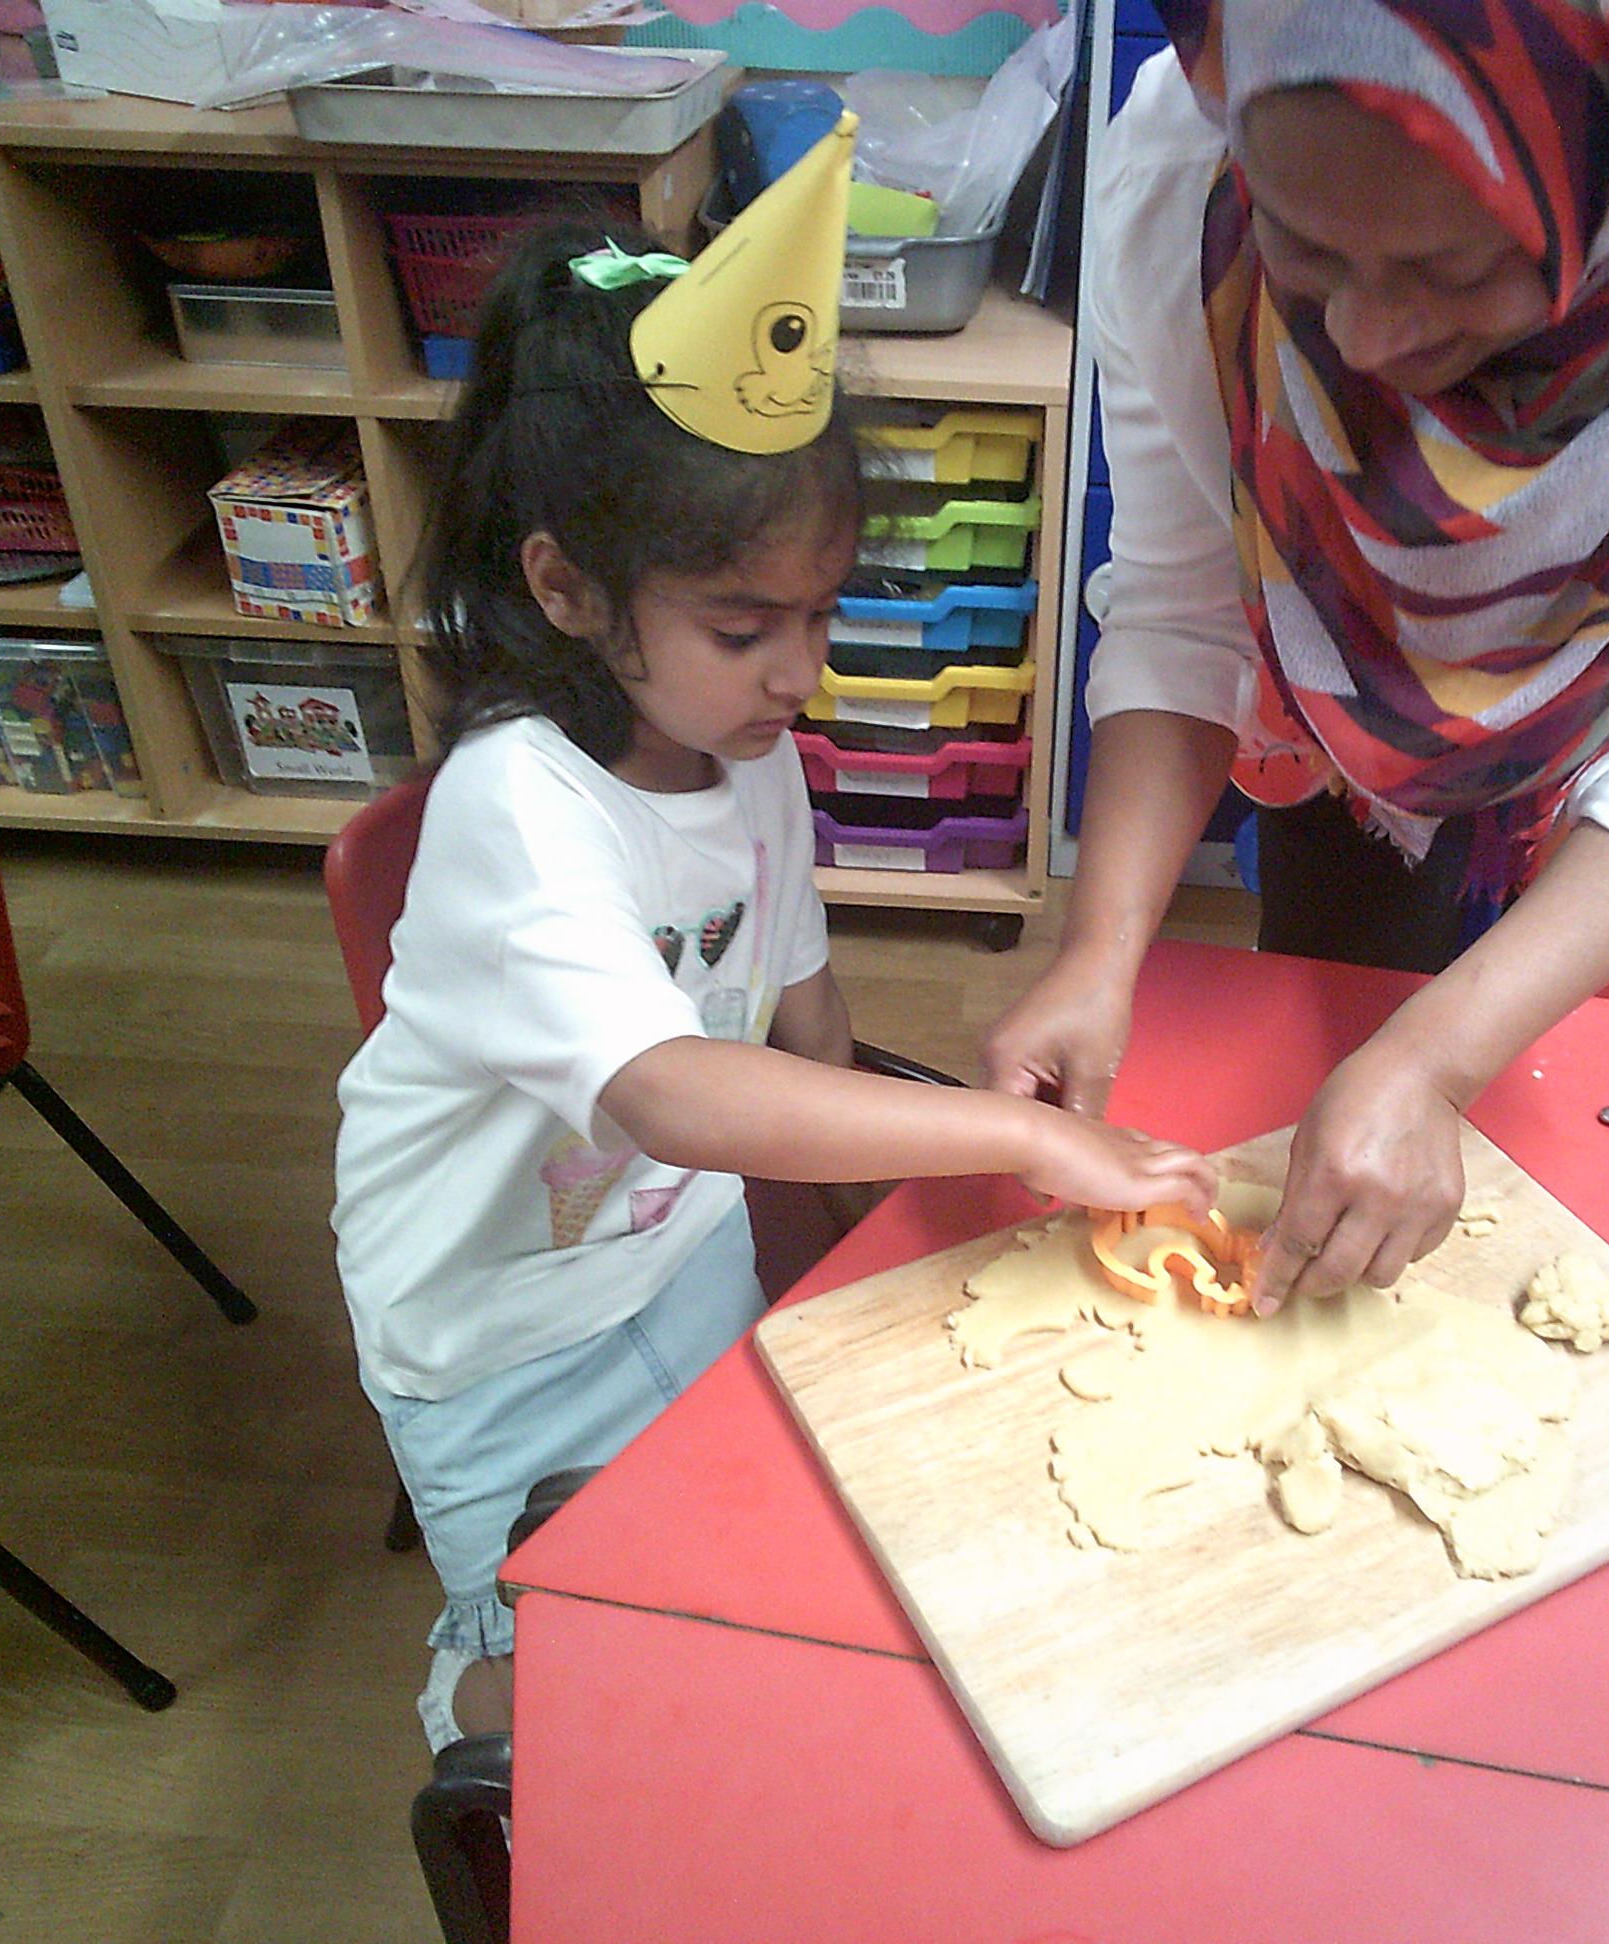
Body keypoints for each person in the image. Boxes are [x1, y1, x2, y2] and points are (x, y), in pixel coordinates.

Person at [332, 131, 1216, 1752]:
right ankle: (476, 1718)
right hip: (494, 1332)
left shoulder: (741, 755)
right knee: (560, 1666)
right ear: (569, 589)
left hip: (678, 1251)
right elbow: (674, 1089)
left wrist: (888, 1226)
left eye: (820, 613)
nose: (799, 674)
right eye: (745, 629)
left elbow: (798, 1004)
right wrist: (1018, 1136)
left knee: (719, 1567)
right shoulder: (517, 812)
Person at [987, 0, 1609, 1312]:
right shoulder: (1193, 160)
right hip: (1343, 730)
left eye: (1454, 270)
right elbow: (1183, 610)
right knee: (1336, 1002)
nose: (1364, 337)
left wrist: (1435, 1064)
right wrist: (1100, 951)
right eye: (1306, 250)